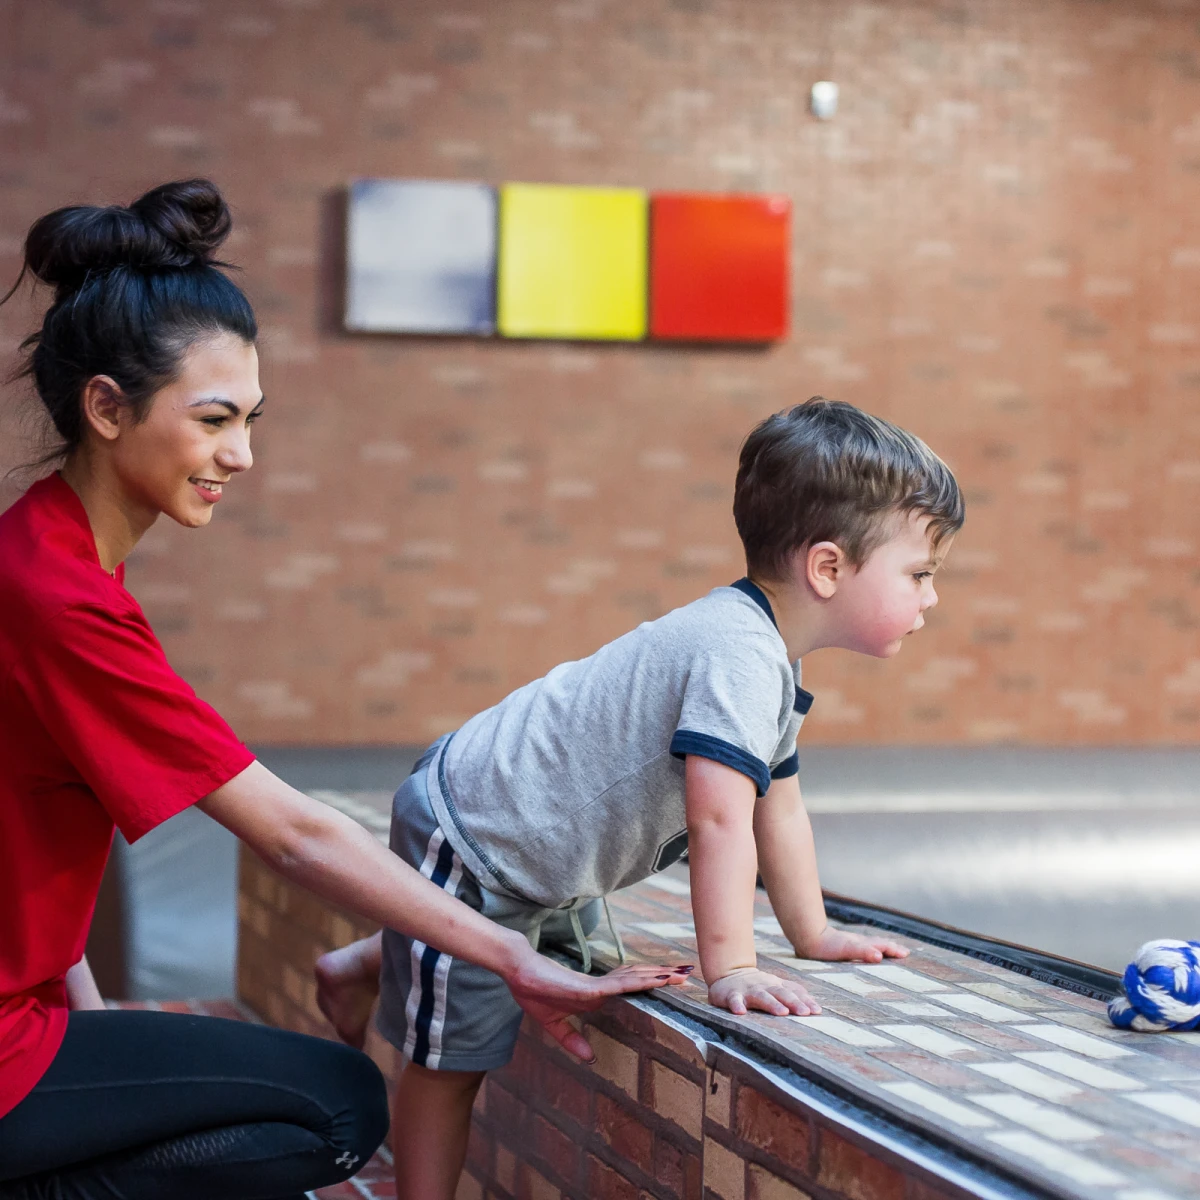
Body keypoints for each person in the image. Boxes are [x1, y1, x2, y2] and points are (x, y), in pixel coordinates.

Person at [0, 179, 690, 1200]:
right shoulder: (56, 596)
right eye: (214, 420)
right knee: (337, 1108)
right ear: (107, 407)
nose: (241, 454)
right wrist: (513, 956)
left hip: (27, 1018)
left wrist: (94, 1029)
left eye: (252, 419)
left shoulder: (43, 552)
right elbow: (292, 834)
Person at [316, 397, 966, 1199]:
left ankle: (360, 965)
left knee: (567, 952)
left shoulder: (772, 661)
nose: (931, 598)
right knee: (454, 1060)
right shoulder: (738, 652)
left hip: (541, 855)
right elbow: (719, 816)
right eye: (921, 575)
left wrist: (814, 931)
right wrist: (731, 967)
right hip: (480, 832)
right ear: (828, 568)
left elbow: (778, 805)